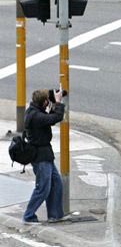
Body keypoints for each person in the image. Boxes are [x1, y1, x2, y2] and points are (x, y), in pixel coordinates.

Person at [22, 89, 65, 225]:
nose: (48, 103)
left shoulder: (35, 111)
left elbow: (48, 120)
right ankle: (28, 216)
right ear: (43, 102)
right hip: (40, 158)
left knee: (56, 184)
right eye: (47, 101)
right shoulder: (35, 116)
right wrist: (58, 103)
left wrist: (54, 101)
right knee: (43, 188)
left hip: (45, 156)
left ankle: (55, 215)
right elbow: (54, 118)